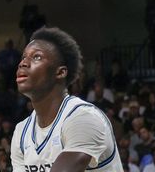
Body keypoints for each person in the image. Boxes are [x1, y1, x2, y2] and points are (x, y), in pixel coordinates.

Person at [11, 27, 122, 172]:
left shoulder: (84, 117)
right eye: (23, 57)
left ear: (60, 72)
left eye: (36, 57)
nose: (23, 63)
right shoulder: (21, 131)